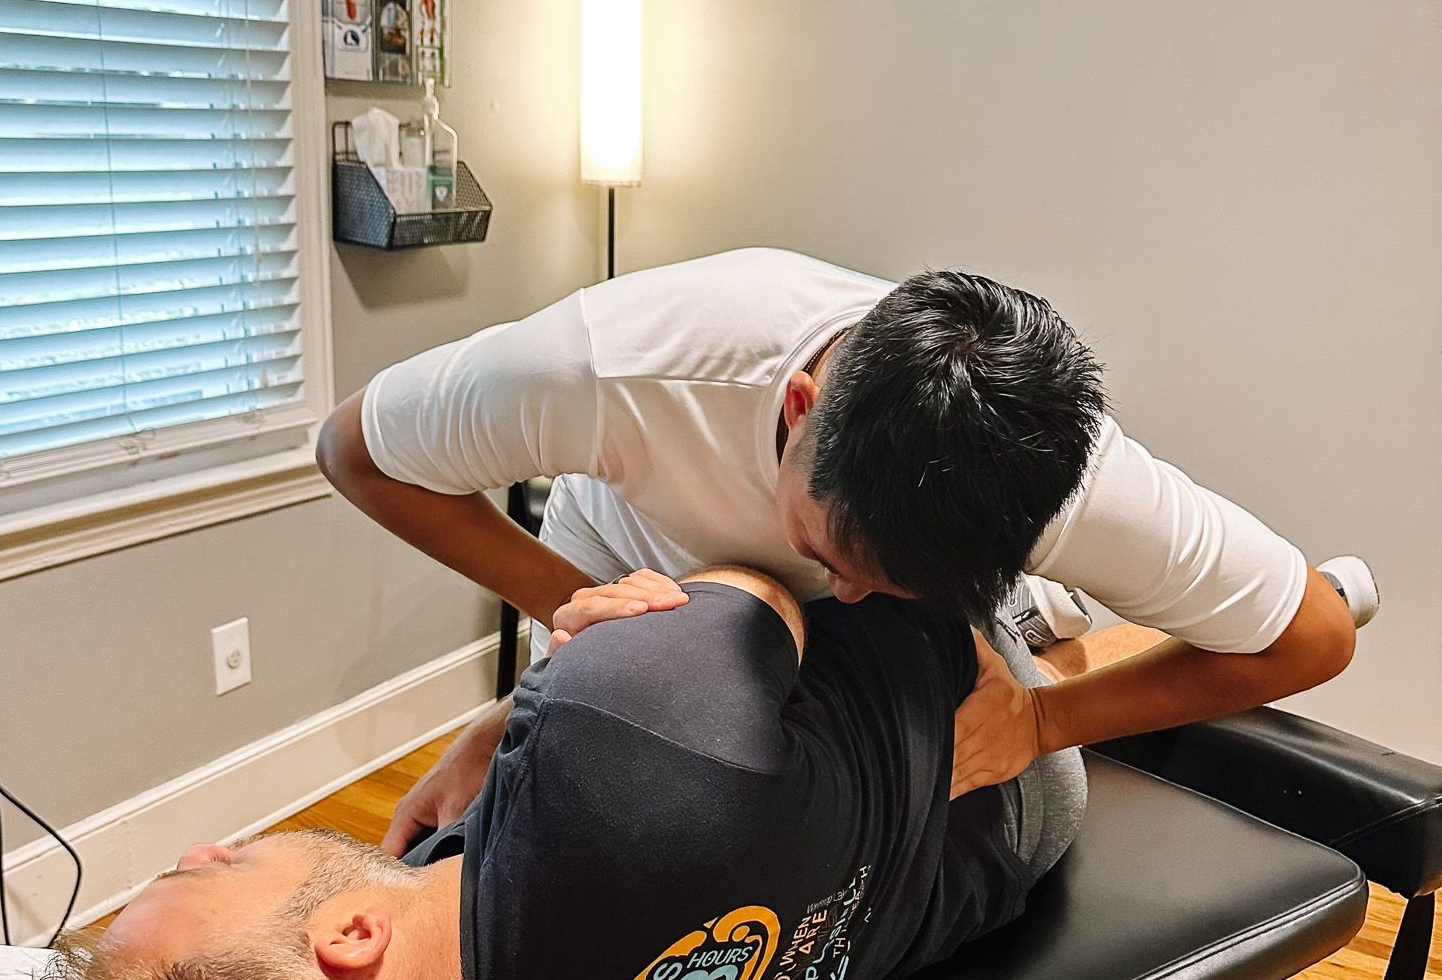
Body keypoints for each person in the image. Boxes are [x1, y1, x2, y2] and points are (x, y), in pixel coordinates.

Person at [38, 570, 1071, 980]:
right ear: (352, 934)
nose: (206, 846)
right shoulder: (624, 730)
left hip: (915, 864)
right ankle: (1035, 607)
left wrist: (507, 727)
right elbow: (770, 577)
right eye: (196, 878)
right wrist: (555, 690)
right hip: (995, 770)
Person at [314, 254, 1357, 871]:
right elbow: (353, 449)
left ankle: (1025, 626)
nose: (843, 587)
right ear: (800, 412)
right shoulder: (610, 368)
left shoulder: (1075, 483)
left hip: (907, 643)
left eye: (886, 581)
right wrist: (567, 624)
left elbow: (1313, 632)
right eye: (828, 552)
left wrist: (1044, 719)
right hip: (640, 569)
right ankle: (1032, 619)